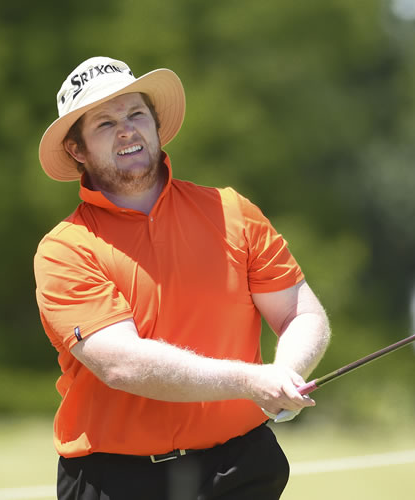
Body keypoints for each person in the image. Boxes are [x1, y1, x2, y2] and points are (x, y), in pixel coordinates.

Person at [33, 56, 331, 500]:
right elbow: (121, 364)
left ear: (155, 124)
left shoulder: (232, 212)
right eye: (105, 123)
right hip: (116, 481)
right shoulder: (64, 249)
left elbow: (300, 313)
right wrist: (252, 381)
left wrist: (285, 373)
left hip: (240, 465)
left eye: (136, 114)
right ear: (77, 150)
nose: (126, 130)